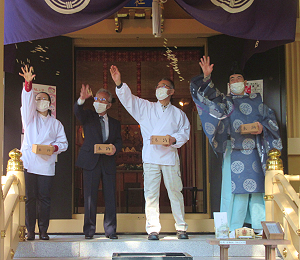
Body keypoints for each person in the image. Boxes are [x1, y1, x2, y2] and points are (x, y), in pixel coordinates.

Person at [190, 56, 282, 235]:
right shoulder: (226, 101)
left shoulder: (257, 101)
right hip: (234, 150)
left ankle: (259, 227)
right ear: (229, 84)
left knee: (257, 190)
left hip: (254, 151)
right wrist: (206, 77)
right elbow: (209, 99)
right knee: (233, 192)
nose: (235, 81)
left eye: (238, 78)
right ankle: (231, 229)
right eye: (232, 79)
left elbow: (270, 120)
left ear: (245, 82)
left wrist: (262, 127)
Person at [110, 65, 190, 240]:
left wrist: (173, 139)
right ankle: (153, 229)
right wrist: (119, 84)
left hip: (169, 156)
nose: (160, 89)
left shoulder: (178, 114)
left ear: (172, 91)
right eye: (158, 86)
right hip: (151, 157)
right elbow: (129, 100)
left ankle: (181, 227)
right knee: (151, 193)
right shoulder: (146, 108)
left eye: (164, 86)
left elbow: (185, 132)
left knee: (175, 191)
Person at [19, 65, 68, 240]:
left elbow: (64, 143)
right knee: (30, 199)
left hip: (47, 164)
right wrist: (28, 84)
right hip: (30, 163)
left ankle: (44, 230)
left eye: (44, 99)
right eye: (38, 98)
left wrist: (53, 148)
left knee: (45, 199)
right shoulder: (29, 118)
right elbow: (26, 102)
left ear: (50, 103)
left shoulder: (56, 124)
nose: (41, 101)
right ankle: (30, 230)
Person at [74, 84, 122, 239]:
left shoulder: (115, 123)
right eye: (96, 98)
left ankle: (110, 230)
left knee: (110, 197)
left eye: (102, 100)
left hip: (107, 162)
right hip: (90, 161)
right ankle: (89, 231)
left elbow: (119, 141)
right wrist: (82, 99)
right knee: (89, 197)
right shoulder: (88, 116)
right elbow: (77, 112)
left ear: (108, 105)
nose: (98, 102)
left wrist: (115, 148)